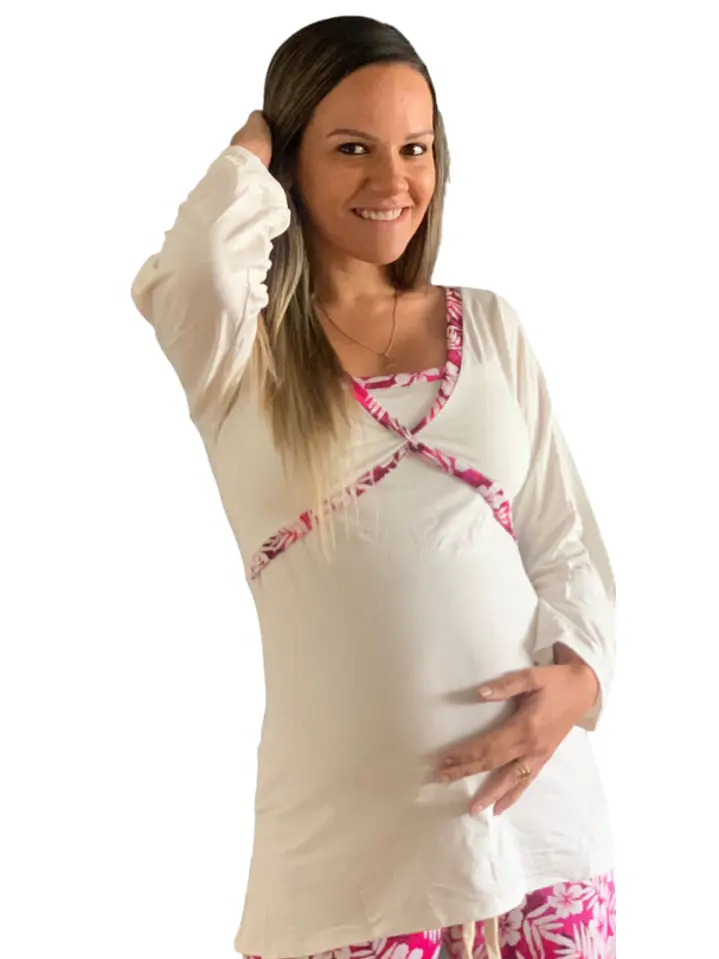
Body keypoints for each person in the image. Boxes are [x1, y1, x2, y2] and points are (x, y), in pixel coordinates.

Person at [130, 15, 617, 959]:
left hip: (539, 839)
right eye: (351, 147)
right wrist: (252, 140)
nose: (392, 181)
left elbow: (562, 540)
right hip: (353, 869)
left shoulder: (490, 326)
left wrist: (578, 681)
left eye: (414, 148)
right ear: (289, 163)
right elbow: (191, 264)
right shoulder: (238, 350)